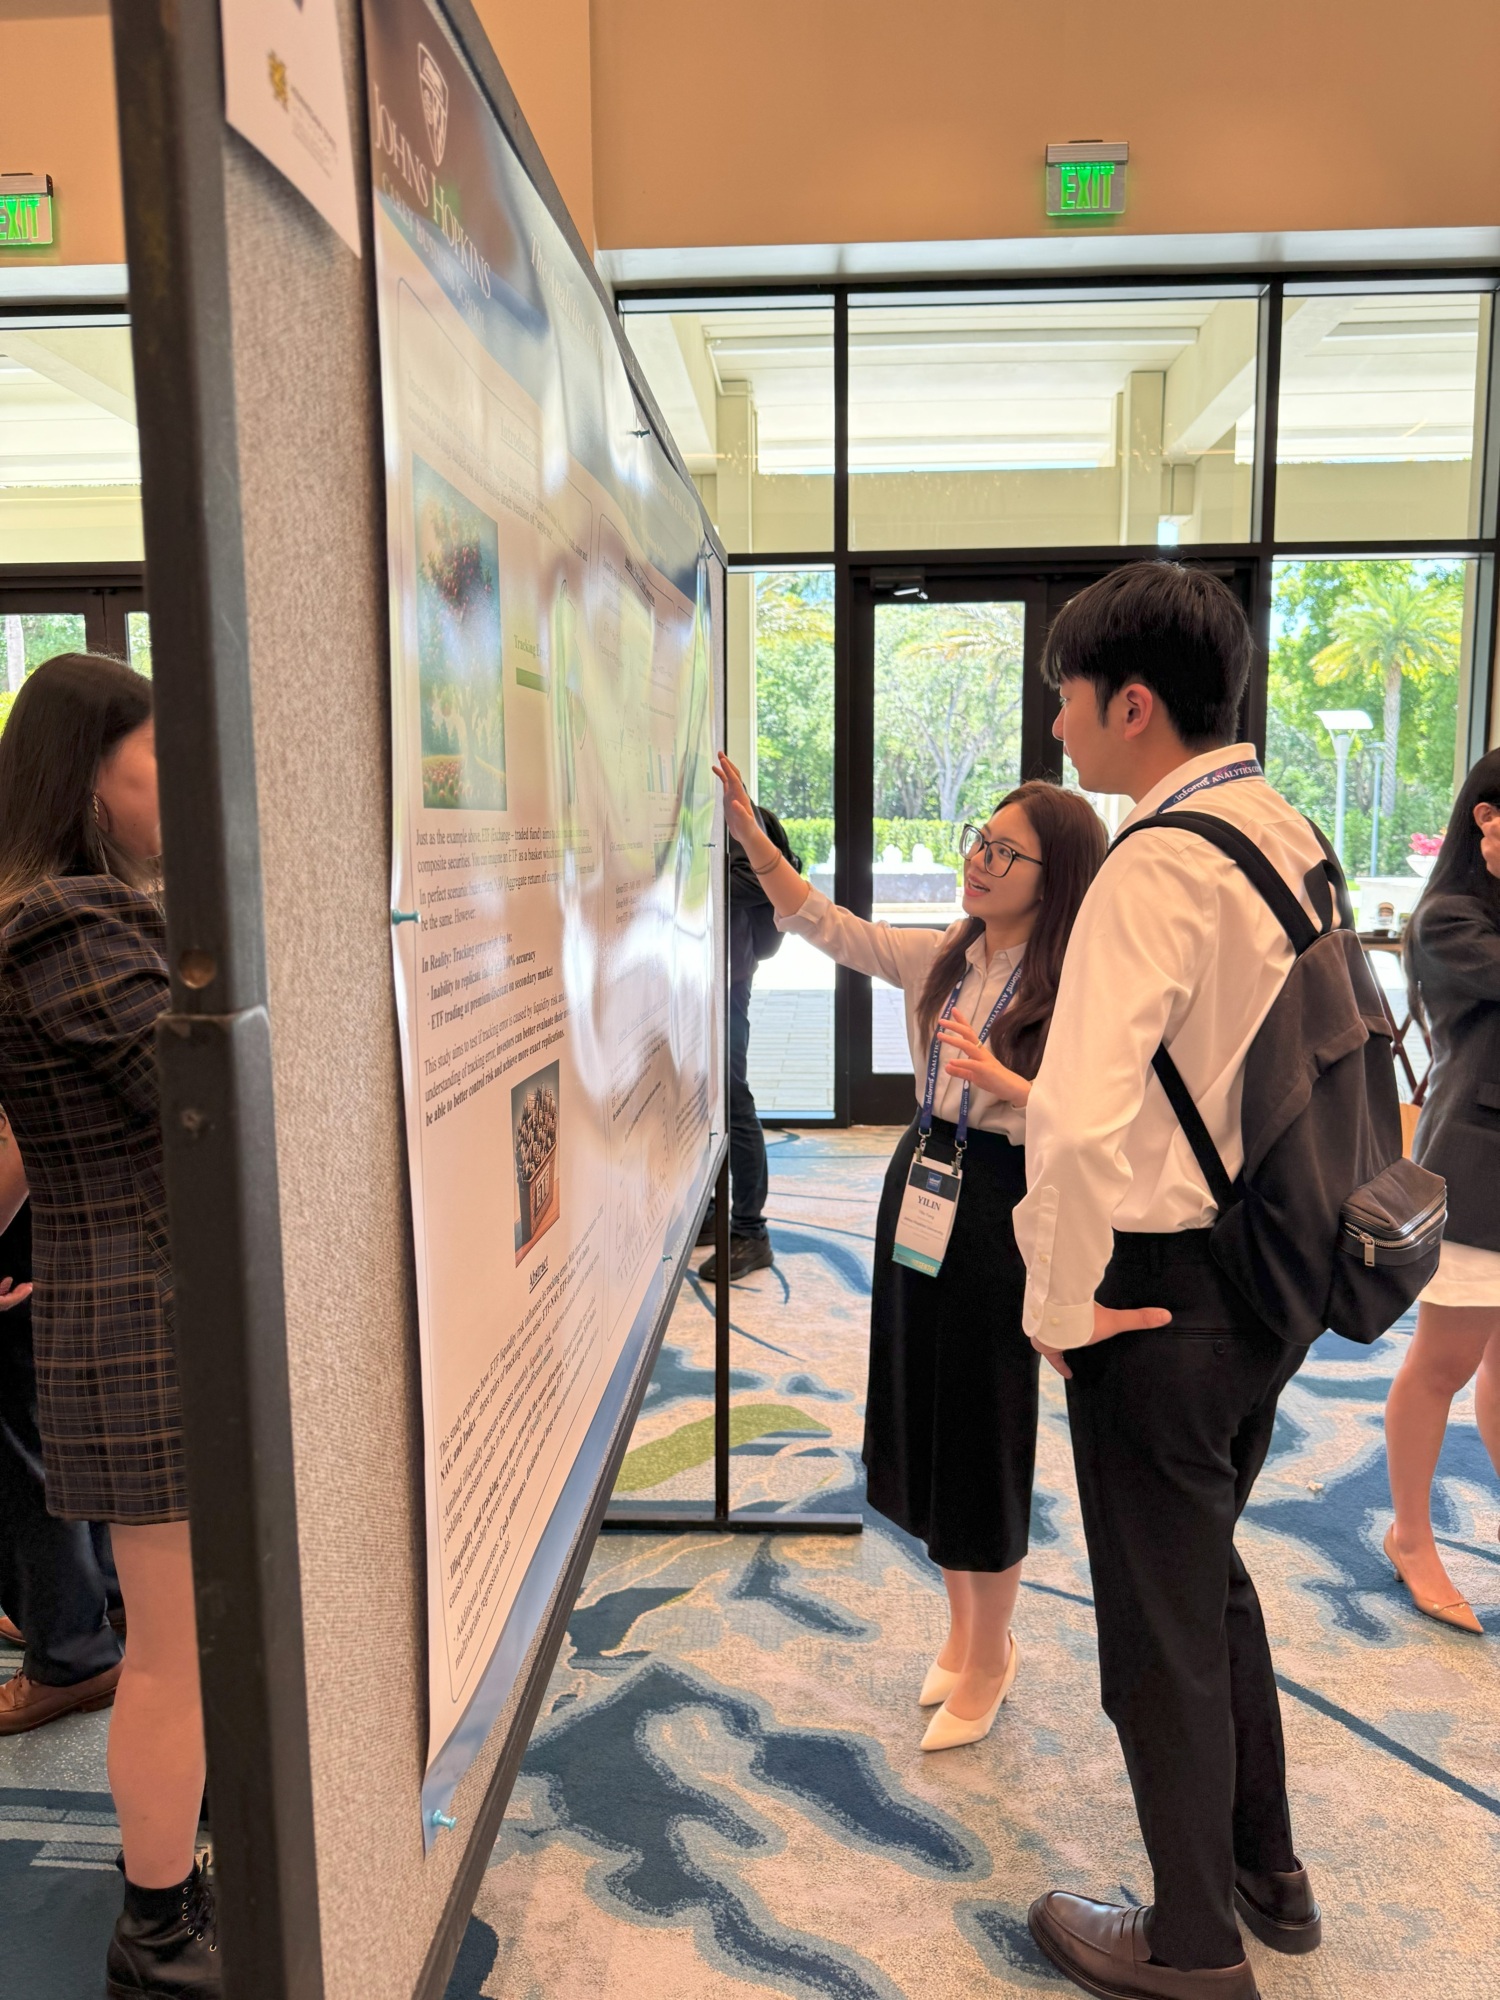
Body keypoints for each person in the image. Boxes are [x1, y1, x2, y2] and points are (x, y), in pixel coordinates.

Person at [1016, 564, 1325, 2000]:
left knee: (1158, 1630)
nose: (1060, 727)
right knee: (1216, 1585)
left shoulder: (1156, 860)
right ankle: (1267, 1868)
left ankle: (1195, 1948)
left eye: (1068, 699)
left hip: (1160, 1299)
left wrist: (1056, 1307)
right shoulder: (1282, 828)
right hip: (1271, 1272)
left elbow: (1075, 1121)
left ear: (1132, 703)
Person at [715, 750, 1125, 1750]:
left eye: (1004, 851)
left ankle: (994, 1650)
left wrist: (1016, 1085)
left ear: (1053, 875)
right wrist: (752, 839)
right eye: (978, 842)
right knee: (924, 1404)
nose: (978, 862)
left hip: (1002, 1200)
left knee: (985, 1423)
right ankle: (962, 1627)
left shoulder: (1077, 981)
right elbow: (830, 926)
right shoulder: (953, 949)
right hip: (923, 1180)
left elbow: (1118, 1119)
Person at [0, 654, 218, 1999]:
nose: (178, 794)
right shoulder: (68, 924)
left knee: (195, 1635)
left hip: (146, 1304)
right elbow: (199, 1099)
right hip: (144, 1315)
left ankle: (180, 1865)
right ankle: (156, 1928)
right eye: (158, 767)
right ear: (93, 779)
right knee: (175, 1646)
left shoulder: (88, 911)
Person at [1384, 747, 1500, 1632]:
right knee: (1444, 1364)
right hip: (1482, 1172)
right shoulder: (1452, 920)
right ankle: (1412, 1537)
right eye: (1493, 816)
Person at [0, 1107, 126, 1733]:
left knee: (17, 1438)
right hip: (58, 1203)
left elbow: (21, 1116)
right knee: (49, 1409)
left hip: (19, 1203)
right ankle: (96, 1599)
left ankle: (70, 1647)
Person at [697, 802, 802, 1283]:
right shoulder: (698, 807)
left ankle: (750, 1232)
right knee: (703, 1099)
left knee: (734, 1100)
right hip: (697, 980)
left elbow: (760, 879)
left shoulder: (733, 811)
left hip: (725, 980)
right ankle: (718, 1213)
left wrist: (682, 876)